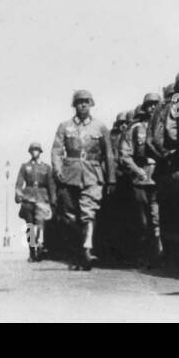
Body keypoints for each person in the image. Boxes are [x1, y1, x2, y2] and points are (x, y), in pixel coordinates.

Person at [51, 90, 115, 271]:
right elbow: (56, 151)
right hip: (69, 175)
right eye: (79, 102)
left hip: (92, 174)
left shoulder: (100, 127)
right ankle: (76, 250)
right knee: (69, 217)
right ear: (74, 105)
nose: (83, 105)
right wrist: (58, 170)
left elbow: (109, 154)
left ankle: (87, 249)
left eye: (86, 101)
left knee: (89, 212)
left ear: (91, 104)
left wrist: (111, 179)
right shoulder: (65, 126)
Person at [118, 93, 165, 266]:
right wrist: (137, 171)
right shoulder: (135, 128)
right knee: (142, 221)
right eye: (150, 104)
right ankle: (143, 255)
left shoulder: (165, 125)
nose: (153, 107)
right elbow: (125, 154)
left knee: (158, 218)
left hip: (160, 176)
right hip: (141, 178)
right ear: (145, 107)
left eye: (156, 104)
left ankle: (159, 255)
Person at [15, 142, 55, 262]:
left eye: (36, 150)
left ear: (40, 152)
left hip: (42, 198)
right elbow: (19, 182)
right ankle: (32, 251)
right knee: (30, 226)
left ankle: (40, 246)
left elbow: (51, 185)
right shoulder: (25, 166)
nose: (34, 152)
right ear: (30, 152)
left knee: (40, 223)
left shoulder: (46, 168)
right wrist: (18, 195)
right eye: (32, 150)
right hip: (28, 198)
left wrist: (53, 200)